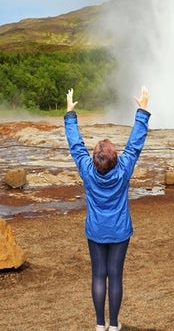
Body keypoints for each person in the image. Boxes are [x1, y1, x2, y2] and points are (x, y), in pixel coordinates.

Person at [64, 86, 150, 331]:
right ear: (114, 157)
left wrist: (70, 114)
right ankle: (114, 325)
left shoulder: (87, 170)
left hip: (96, 230)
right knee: (115, 275)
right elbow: (134, 146)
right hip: (120, 230)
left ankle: (100, 325)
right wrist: (142, 110)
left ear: (95, 160)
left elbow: (76, 146)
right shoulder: (123, 169)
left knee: (98, 275)